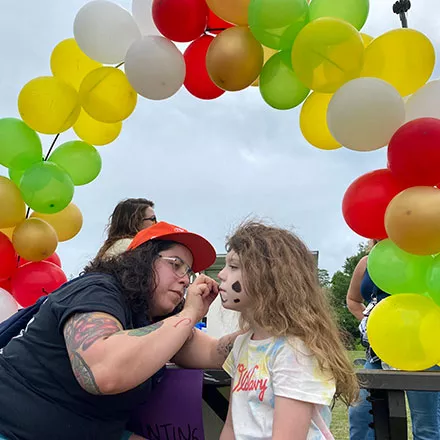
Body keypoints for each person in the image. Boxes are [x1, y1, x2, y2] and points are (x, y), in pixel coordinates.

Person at [0, 221, 240, 440]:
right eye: (176, 265)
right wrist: (189, 315)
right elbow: (102, 372)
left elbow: (215, 352)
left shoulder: (157, 319)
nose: (186, 280)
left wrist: (264, 329)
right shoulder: (97, 291)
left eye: (188, 272)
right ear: (142, 261)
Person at [218, 221, 359, 440]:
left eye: (234, 267)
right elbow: (232, 426)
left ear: (267, 278)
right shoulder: (243, 344)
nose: (222, 275)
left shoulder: (296, 352)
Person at [347, 240, 440, 440]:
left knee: (425, 426)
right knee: (360, 416)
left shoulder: (425, 260)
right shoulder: (366, 262)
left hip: (421, 353)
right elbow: (352, 299)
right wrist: (368, 321)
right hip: (377, 354)